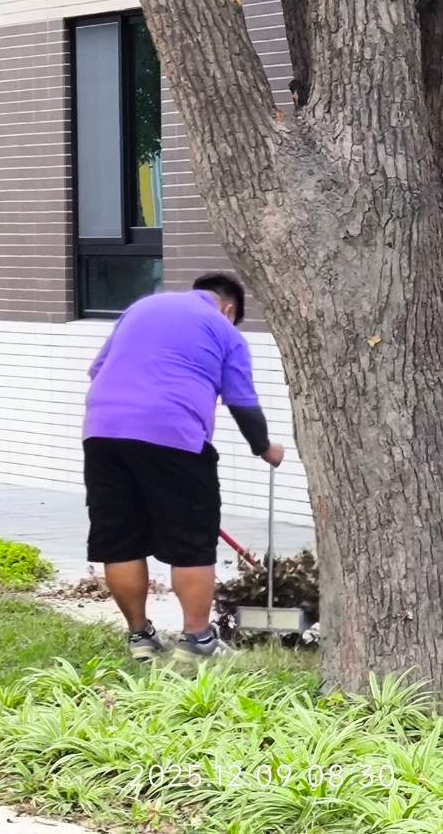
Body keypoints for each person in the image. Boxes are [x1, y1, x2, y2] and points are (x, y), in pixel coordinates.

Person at [83, 272, 284, 660]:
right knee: (192, 542)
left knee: (120, 538)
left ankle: (140, 637)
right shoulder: (226, 332)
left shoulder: (140, 308)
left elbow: (98, 370)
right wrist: (265, 448)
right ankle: (197, 641)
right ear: (229, 308)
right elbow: (243, 403)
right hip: (173, 435)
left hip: (103, 431)